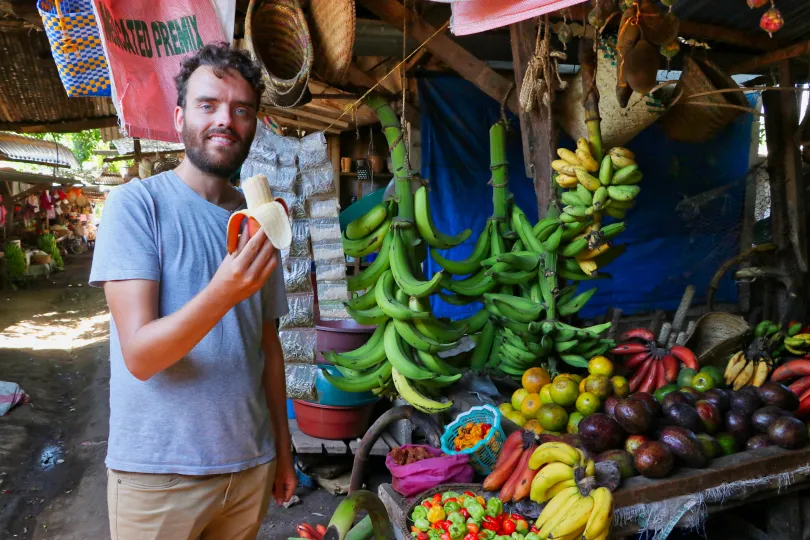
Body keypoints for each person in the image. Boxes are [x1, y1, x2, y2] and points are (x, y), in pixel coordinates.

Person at [89, 43, 296, 539]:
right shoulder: (136, 207)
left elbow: (268, 350)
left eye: (241, 110)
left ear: (253, 125)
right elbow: (140, 355)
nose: (225, 120)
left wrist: (284, 455)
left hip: (248, 469)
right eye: (208, 105)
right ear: (180, 116)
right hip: (159, 476)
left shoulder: (258, 221)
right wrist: (222, 292)